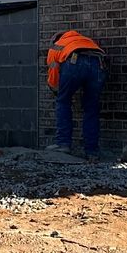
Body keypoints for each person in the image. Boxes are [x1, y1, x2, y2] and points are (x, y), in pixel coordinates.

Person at [45, 29, 106, 158]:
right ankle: (92, 151)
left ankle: (63, 144)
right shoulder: (85, 40)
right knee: (91, 108)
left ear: (56, 39)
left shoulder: (57, 46)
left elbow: (54, 75)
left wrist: (57, 91)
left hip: (75, 61)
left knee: (63, 102)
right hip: (98, 63)